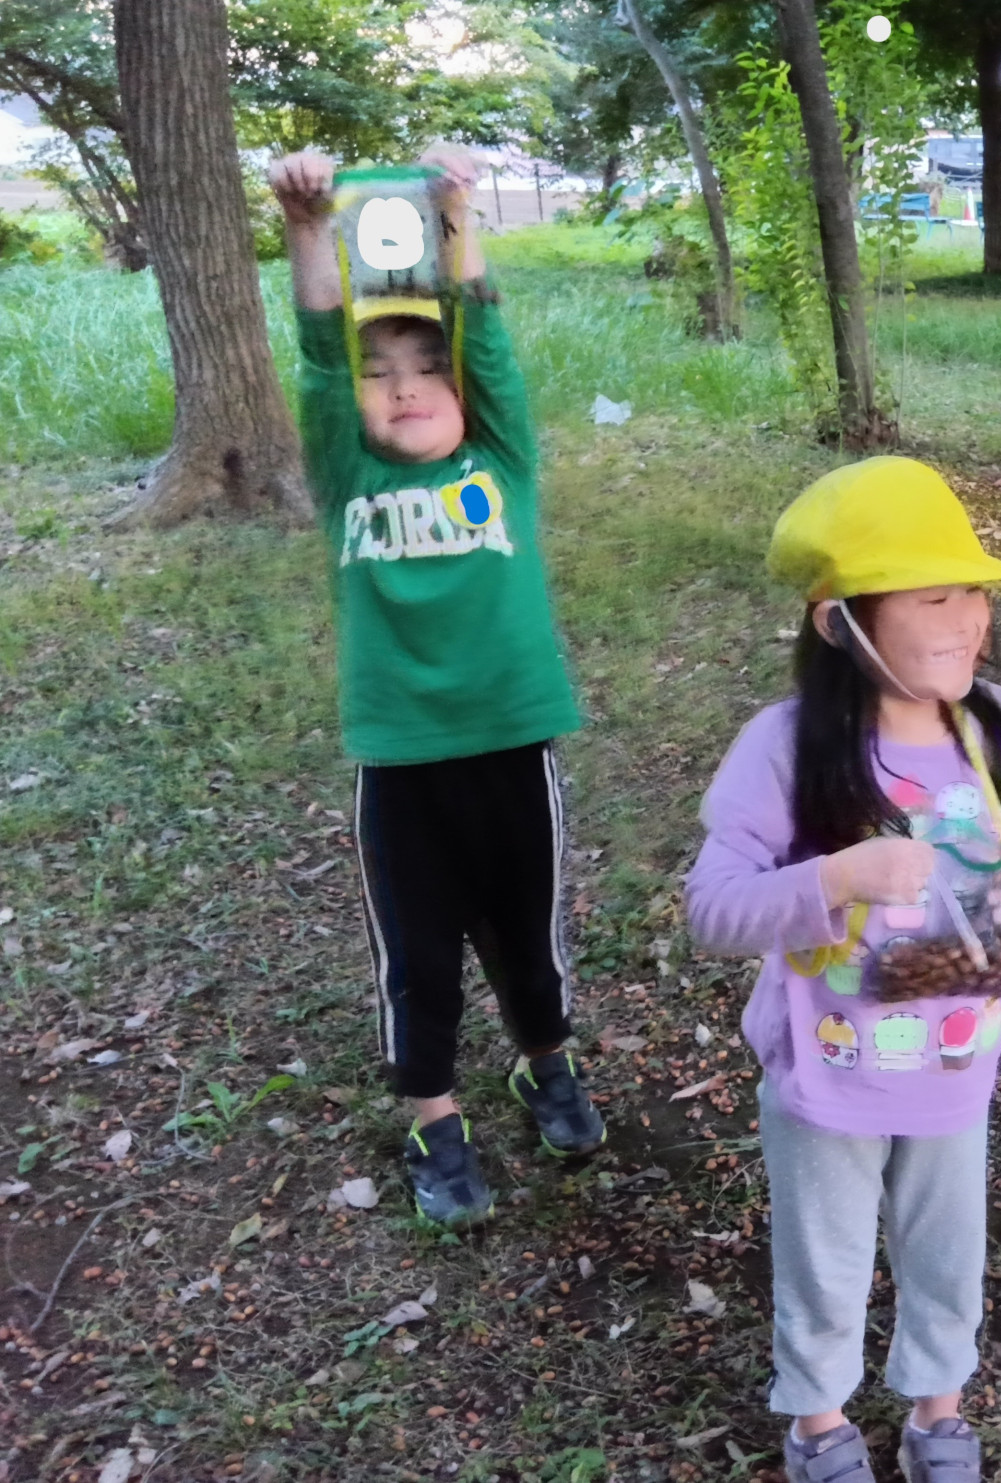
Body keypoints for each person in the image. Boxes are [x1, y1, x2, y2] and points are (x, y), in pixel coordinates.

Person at [685, 457, 1001, 1483]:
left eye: (971, 593)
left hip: (955, 1068)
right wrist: (836, 875)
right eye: (930, 595)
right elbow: (712, 907)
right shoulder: (784, 748)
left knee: (946, 1251)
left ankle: (936, 1410)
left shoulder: (993, 727)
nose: (964, 618)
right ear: (838, 622)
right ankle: (818, 1422)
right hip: (827, 1076)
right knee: (825, 1261)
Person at [269, 147, 599, 1231]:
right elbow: (321, 352)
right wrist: (310, 226)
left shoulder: (497, 462)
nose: (406, 385)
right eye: (383, 372)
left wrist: (457, 214)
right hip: (401, 764)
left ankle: (543, 1065)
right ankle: (434, 1121)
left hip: (511, 746)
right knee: (418, 960)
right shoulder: (349, 476)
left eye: (427, 367)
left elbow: (485, 338)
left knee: (528, 940)